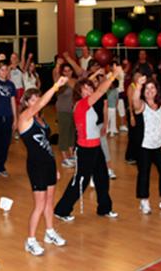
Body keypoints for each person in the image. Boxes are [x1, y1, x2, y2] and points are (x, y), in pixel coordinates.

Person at [53, 64, 124, 222]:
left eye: (90, 88)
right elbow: (100, 91)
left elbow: (96, 89)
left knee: (102, 178)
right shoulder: (81, 105)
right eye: (85, 89)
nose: (89, 90)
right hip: (85, 148)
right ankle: (61, 210)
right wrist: (113, 74)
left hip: (96, 146)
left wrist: (97, 75)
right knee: (80, 181)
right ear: (80, 92)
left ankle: (104, 208)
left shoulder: (88, 103)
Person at [18, 77, 69, 256]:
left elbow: (47, 144)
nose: (37, 102)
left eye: (37, 98)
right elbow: (40, 105)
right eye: (33, 99)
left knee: (49, 202)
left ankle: (49, 232)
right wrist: (55, 86)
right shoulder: (24, 118)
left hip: (48, 163)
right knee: (39, 205)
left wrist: (54, 167)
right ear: (26, 102)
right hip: (36, 166)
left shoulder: (41, 120)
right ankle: (30, 240)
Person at [131, 75, 161, 213]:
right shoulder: (142, 106)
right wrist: (138, 85)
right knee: (144, 173)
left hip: (159, 144)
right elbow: (135, 100)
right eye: (147, 88)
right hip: (144, 146)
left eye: (152, 88)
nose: (150, 90)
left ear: (157, 90)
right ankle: (144, 201)